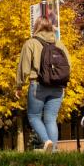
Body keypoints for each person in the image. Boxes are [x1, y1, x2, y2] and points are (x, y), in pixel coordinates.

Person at [16, 16, 70, 153]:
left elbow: (24, 67)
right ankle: (53, 150)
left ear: (36, 27)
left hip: (38, 85)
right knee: (51, 118)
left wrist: (19, 85)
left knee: (33, 116)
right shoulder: (59, 44)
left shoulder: (31, 43)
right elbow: (69, 65)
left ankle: (47, 142)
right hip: (58, 86)